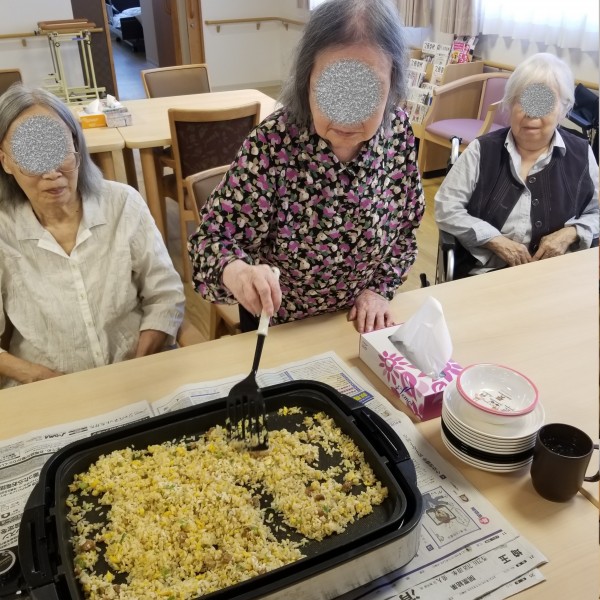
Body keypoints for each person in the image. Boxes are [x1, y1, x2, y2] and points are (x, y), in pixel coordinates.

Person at [188, 0, 424, 334]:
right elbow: (210, 242)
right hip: (280, 327)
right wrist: (238, 272)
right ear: (306, 80)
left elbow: (405, 230)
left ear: (393, 86)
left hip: (354, 325)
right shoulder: (272, 144)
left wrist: (379, 290)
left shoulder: (397, 132)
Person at [0, 85, 185, 387]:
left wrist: (139, 364)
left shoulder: (123, 204)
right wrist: (41, 377)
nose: (51, 172)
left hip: (135, 377)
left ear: (76, 146)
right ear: (6, 161)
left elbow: (165, 293)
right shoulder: (3, 231)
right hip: (45, 388)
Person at [434, 53, 599, 278]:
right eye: (523, 100)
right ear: (509, 104)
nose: (532, 112)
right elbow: (446, 207)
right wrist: (495, 240)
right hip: (486, 274)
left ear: (563, 109)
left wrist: (571, 233)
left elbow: (596, 212)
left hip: (557, 275)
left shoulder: (581, 153)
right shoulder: (482, 150)